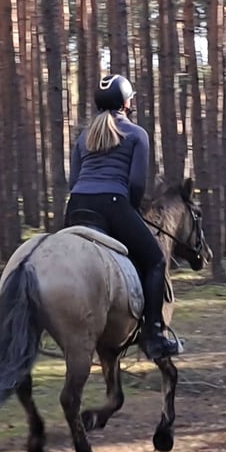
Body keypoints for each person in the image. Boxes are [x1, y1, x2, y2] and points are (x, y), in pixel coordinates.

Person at [65, 73, 179, 360]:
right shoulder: (137, 134)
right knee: (155, 260)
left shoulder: (84, 137)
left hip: (76, 207)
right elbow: (136, 185)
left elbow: (73, 181)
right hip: (113, 206)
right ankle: (154, 334)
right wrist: (130, 212)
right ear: (127, 102)